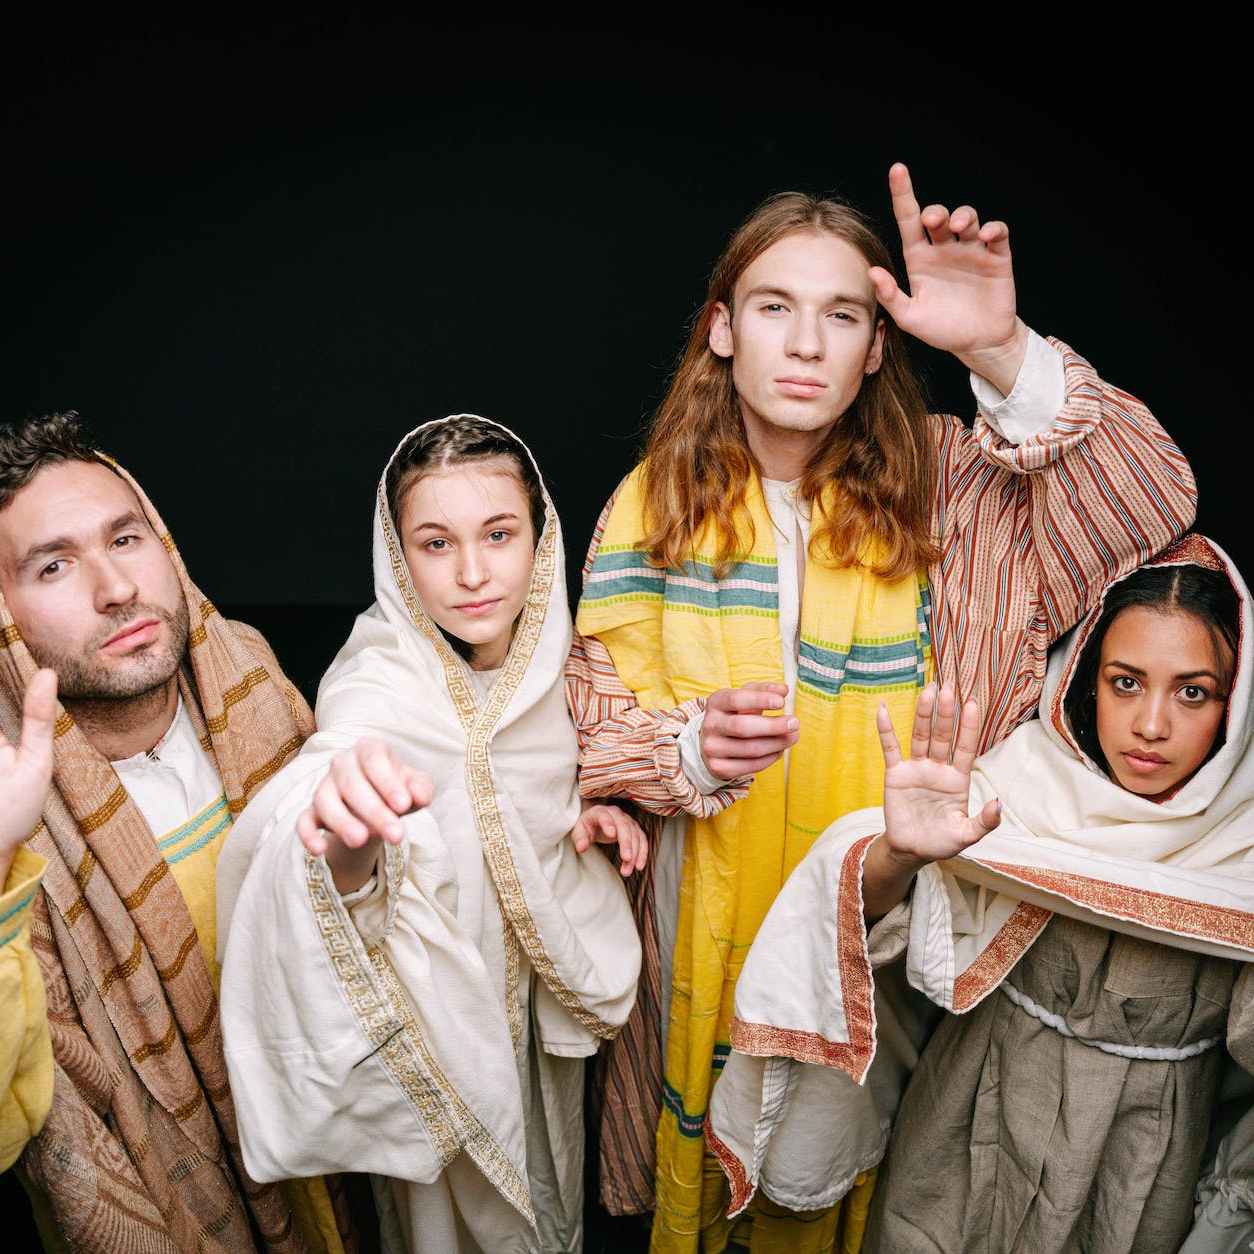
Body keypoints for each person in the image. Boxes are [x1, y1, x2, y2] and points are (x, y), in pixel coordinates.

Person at [566, 164, 1199, 1251]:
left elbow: (1154, 501)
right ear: (722, 329)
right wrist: (686, 750)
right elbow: (585, 717)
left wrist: (1000, 350)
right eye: (775, 308)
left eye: (842, 315)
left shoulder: (953, 485)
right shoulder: (651, 502)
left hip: (897, 920)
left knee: (860, 1191)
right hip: (695, 920)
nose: (806, 344)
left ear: (874, 347)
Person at [708, 535, 1254, 1253]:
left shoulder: (1243, 849)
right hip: (969, 1129)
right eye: (1125, 682)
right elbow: (888, 949)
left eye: (1192, 692)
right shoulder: (1018, 794)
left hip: (1141, 1173)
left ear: (1235, 705)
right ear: (1085, 680)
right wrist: (900, 855)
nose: (1152, 725)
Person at [217, 415, 644, 1254]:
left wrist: (580, 822)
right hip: (437, 1025)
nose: (473, 573)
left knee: (548, 1195)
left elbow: (520, 804)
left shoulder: (562, 670)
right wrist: (332, 817)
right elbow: (338, 771)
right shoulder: (376, 679)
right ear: (397, 555)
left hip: (534, 1020)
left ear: (541, 537)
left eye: (499, 534)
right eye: (437, 544)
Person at [0, 413, 352, 1251]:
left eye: (125, 538)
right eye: (53, 565)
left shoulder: (252, 675)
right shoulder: (6, 800)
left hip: (347, 1172)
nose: (116, 588)